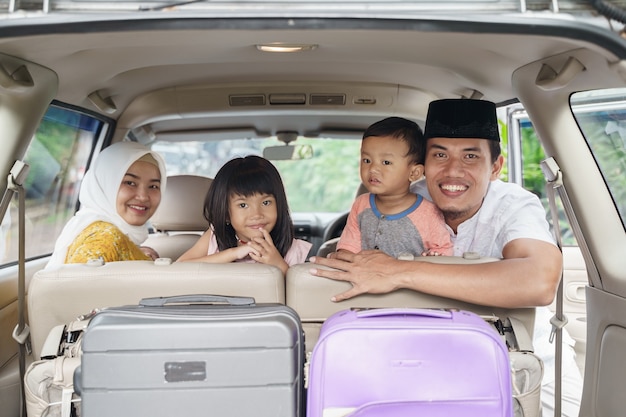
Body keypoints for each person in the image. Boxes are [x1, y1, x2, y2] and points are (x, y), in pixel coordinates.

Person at [310, 98, 582, 417]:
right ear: (422, 166)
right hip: (415, 361)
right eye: (440, 154)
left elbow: (539, 281)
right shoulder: (403, 197)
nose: (453, 170)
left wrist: (399, 272)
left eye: (470, 156)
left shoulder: (513, 205)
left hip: (518, 364)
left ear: (496, 167)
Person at [337, 116, 453, 258]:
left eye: (386, 162)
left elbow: (443, 251)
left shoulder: (429, 213)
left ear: (414, 173)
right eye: (366, 160)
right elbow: (348, 247)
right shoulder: (361, 205)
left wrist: (434, 257)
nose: (373, 168)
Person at [177, 155, 311, 274]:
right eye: (243, 205)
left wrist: (278, 265)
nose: (256, 214)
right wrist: (233, 254)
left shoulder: (293, 249)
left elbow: (300, 295)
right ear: (226, 214)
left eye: (266, 202)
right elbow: (179, 268)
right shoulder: (215, 237)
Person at [46, 141, 166, 268]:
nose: (143, 196)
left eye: (153, 186)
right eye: (130, 183)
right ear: (104, 185)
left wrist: (135, 252)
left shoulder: (98, 231)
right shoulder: (105, 240)